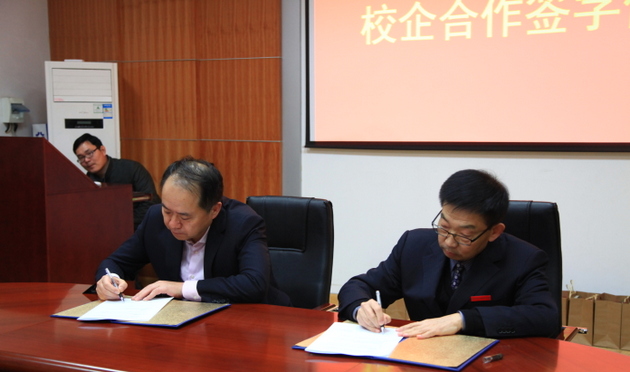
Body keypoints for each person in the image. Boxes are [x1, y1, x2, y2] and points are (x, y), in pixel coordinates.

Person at [337, 169, 559, 339]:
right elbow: (359, 285)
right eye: (444, 227)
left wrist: (462, 320)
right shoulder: (414, 245)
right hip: (421, 361)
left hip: (487, 367)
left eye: (464, 235)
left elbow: (545, 317)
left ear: (494, 232)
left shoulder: (524, 259)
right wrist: (360, 308)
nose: (449, 241)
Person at [94, 156, 291, 306]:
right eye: (167, 211)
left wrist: (182, 289)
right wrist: (108, 280)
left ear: (214, 210)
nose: (172, 223)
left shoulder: (243, 223)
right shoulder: (155, 218)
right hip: (180, 323)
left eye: (184, 217)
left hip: (248, 323)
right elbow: (115, 262)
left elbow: (253, 284)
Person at [73, 133, 160, 229]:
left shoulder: (132, 168)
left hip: (139, 228)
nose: (86, 160)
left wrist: (120, 223)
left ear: (102, 150)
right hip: (107, 230)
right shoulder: (87, 181)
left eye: (89, 153)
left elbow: (151, 202)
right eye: (81, 157)